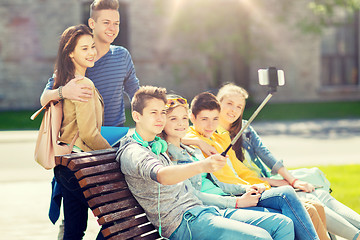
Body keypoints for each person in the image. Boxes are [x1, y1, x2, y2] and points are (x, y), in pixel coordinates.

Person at [116, 86, 295, 240]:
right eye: (153, 113)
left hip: (204, 210)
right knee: (261, 236)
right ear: (137, 116)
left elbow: (176, 137)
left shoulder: (157, 145)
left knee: (283, 224)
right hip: (183, 221)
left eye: (162, 112)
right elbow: (162, 176)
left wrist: (197, 142)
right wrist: (203, 165)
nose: (160, 118)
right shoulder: (135, 151)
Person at [162, 93, 326, 238]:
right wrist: (237, 201)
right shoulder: (171, 154)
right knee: (285, 217)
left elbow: (221, 181)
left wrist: (246, 188)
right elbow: (193, 195)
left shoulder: (194, 149)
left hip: (232, 194)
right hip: (215, 207)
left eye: (183, 118)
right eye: (174, 119)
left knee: (288, 196)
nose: (181, 123)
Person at [215, 82, 360, 240]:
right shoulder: (213, 135)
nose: (234, 110)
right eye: (229, 103)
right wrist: (276, 182)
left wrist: (293, 180)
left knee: (319, 194)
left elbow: (266, 154)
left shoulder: (245, 128)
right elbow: (235, 177)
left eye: (239, 106)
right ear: (218, 103)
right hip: (256, 188)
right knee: (311, 199)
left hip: (269, 181)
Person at [51, 24, 112, 240]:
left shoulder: (66, 81)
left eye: (92, 47)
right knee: (116, 221)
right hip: (81, 166)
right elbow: (88, 135)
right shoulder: (82, 83)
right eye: (84, 48)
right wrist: (115, 155)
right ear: (70, 53)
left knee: (74, 230)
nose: (91, 52)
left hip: (66, 166)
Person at [41, 0, 139, 127]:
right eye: (106, 23)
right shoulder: (77, 60)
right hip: (83, 138)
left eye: (116, 23)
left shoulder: (122, 55)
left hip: (115, 136)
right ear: (92, 23)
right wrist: (63, 92)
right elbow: (44, 98)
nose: (112, 28)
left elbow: (136, 93)